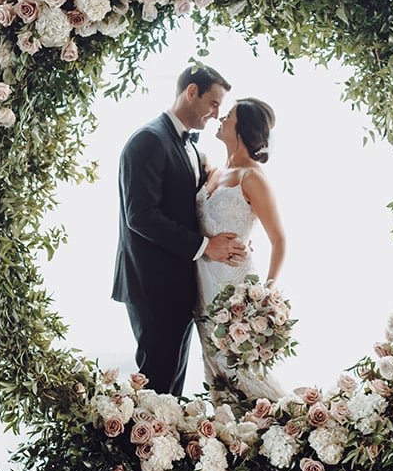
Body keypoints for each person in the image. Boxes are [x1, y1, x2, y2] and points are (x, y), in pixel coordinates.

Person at [112, 65, 248, 396]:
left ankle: (161, 447)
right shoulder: (149, 140)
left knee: (170, 391)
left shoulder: (188, 145)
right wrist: (205, 246)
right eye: (213, 103)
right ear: (191, 92)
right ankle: (140, 450)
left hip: (181, 285)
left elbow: (191, 207)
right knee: (155, 389)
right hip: (154, 286)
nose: (217, 114)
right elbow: (141, 217)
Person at [195, 97, 287, 401]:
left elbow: (279, 240)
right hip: (203, 288)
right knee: (217, 376)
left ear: (243, 129)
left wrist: (264, 297)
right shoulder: (213, 172)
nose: (221, 118)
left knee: (243, 374)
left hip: (234, 289)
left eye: (229, 116)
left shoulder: (253, 177)